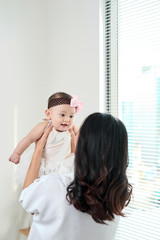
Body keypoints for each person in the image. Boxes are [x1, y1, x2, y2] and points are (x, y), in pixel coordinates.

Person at [19, 112, 132, 240]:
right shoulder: (117, 194)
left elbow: (26, 198)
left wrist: (38, 148)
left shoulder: (54, 185)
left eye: (80, 133)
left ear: (86, 144)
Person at [9, 92, 83, 179]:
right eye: (62, 115)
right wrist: (17, 153)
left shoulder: (71, 128)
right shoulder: (44, 126)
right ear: (48, 114)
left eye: (71, 116)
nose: (67, 120)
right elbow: (28, 139)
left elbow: (80, 135)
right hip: (45, 166)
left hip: (63, 166)